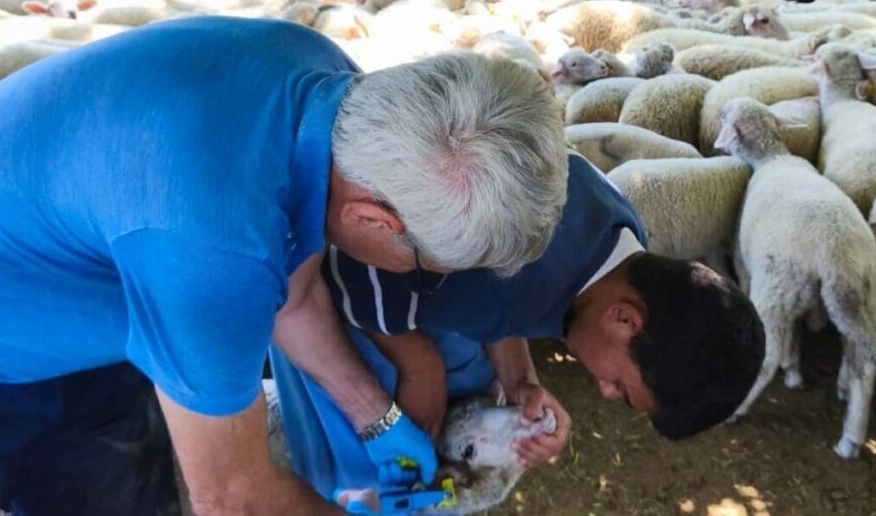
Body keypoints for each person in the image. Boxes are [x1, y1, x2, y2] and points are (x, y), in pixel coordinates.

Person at [0, 16, 569, 515]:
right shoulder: (217, 248)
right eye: (430, 266)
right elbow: (234, 500)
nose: (426, 279)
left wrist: (377, 420)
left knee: (151, 462)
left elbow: (292, 297)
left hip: (102, 270)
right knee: (103, 489)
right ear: (378, 222)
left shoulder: (325, 82)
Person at [271, 151, 766, 508]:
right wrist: (418, 365)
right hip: (333, 304)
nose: (604, 390)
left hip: (425, 294)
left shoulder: (620, 234)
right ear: (623, 318)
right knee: (364, 468)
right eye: (622, 385)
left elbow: (502, 287)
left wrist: (521, 380)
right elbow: (351, 264)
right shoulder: (515, 269)